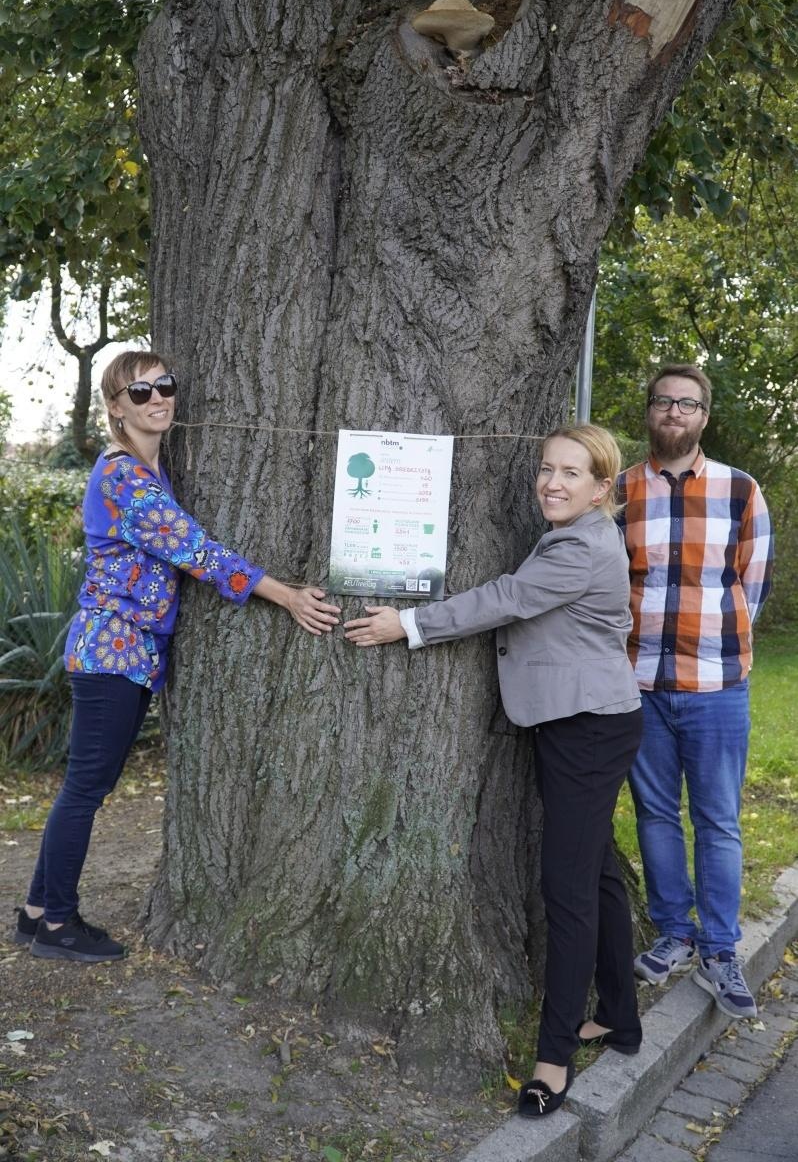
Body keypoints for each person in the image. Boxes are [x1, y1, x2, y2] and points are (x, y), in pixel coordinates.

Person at [344, 424, 643, 1118]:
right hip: (584, 722)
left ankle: (554, 1058)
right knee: (595, 873)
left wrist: (409, 625)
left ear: (603, 488)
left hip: (587, 729)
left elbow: (506, 598)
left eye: (573, 473)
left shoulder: (580, 544)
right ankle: (620, 1017)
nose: (553, 483)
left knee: (567, 890)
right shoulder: (580, 535)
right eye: (546, 469)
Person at [13, 350, 340, 964]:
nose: (158, 398)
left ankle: (36, 912)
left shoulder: (148, 471)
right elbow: (197, 551)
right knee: (85, 789)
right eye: (140, 393)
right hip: (113, 650)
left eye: (164, 386)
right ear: (115, 408)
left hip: (131, 652)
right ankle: (56, 922)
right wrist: (286, 596)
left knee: (87, 786)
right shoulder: (123, 478)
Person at [617, 364, 773, 1018]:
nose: (674, 412)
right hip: (638, 684)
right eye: (663, 401)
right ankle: (675, 933)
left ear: (705, 416)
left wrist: (718, 649)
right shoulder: (618, 489)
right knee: (655, 815)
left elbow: (751, 586)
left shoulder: (741, 491)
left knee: (716, 819)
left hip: (715, 687)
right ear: (649, 412)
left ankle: (718, 947)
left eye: (687, 403)